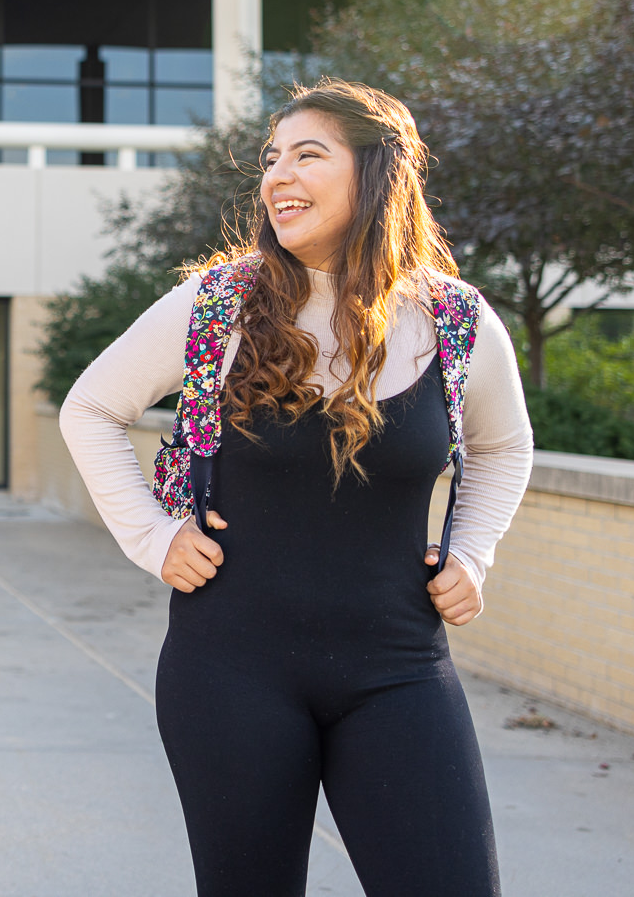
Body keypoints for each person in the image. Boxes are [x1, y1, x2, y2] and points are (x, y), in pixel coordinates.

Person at [59, 79, 533, 897]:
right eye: (272, 159)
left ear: (379, 175)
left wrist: (474, 552)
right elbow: (91, 408)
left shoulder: (455, 322)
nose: (278, 176)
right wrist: (153, 535)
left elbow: (503, 446)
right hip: (230, 670)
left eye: (308, 155)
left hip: (400, 669)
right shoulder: (216, 306)